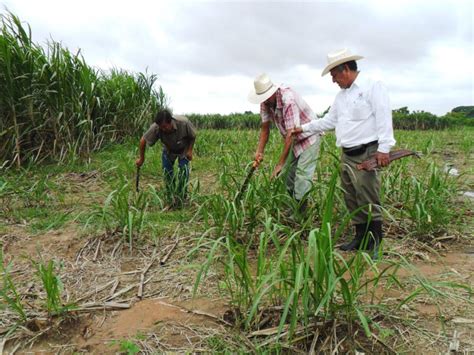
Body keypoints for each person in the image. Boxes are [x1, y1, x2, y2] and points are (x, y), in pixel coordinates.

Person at [292, 48, 396, 255]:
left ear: (346, 69)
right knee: (351, 196)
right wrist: (302, 128)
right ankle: (360, 237)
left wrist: (384, 149)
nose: (333, 80)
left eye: (334, 75)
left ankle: (375, 242)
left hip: (367, 152)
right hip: (347, 154)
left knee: (368, 196)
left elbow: (383, 116)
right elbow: (329, 121)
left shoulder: (372, 86)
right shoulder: (341, 97)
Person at [248, 73, 321, 213]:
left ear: (272, 92)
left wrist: (280, 164)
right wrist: (259, 152)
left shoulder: (288, 99)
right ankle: (294, 206)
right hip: (294, 139)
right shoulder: (265, 102)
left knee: (302, 176)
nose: (263, 101)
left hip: (309, 136)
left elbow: (291, 134)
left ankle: (301, 213)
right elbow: (265, 129)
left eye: (265, 97)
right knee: (287, 176)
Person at [136, 109, 196, 207]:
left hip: (183, 149)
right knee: (167, 172)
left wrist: (190, 150)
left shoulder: (183, 123)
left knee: (183, 172)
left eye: (164, 126)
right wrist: (141, 159)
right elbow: (143, 141)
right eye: (160, 127)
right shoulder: (157, 127)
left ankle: (181, 197)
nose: (162, 129)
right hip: (168, 150)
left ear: (170, 121)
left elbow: (193, 136)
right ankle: (171, 197)